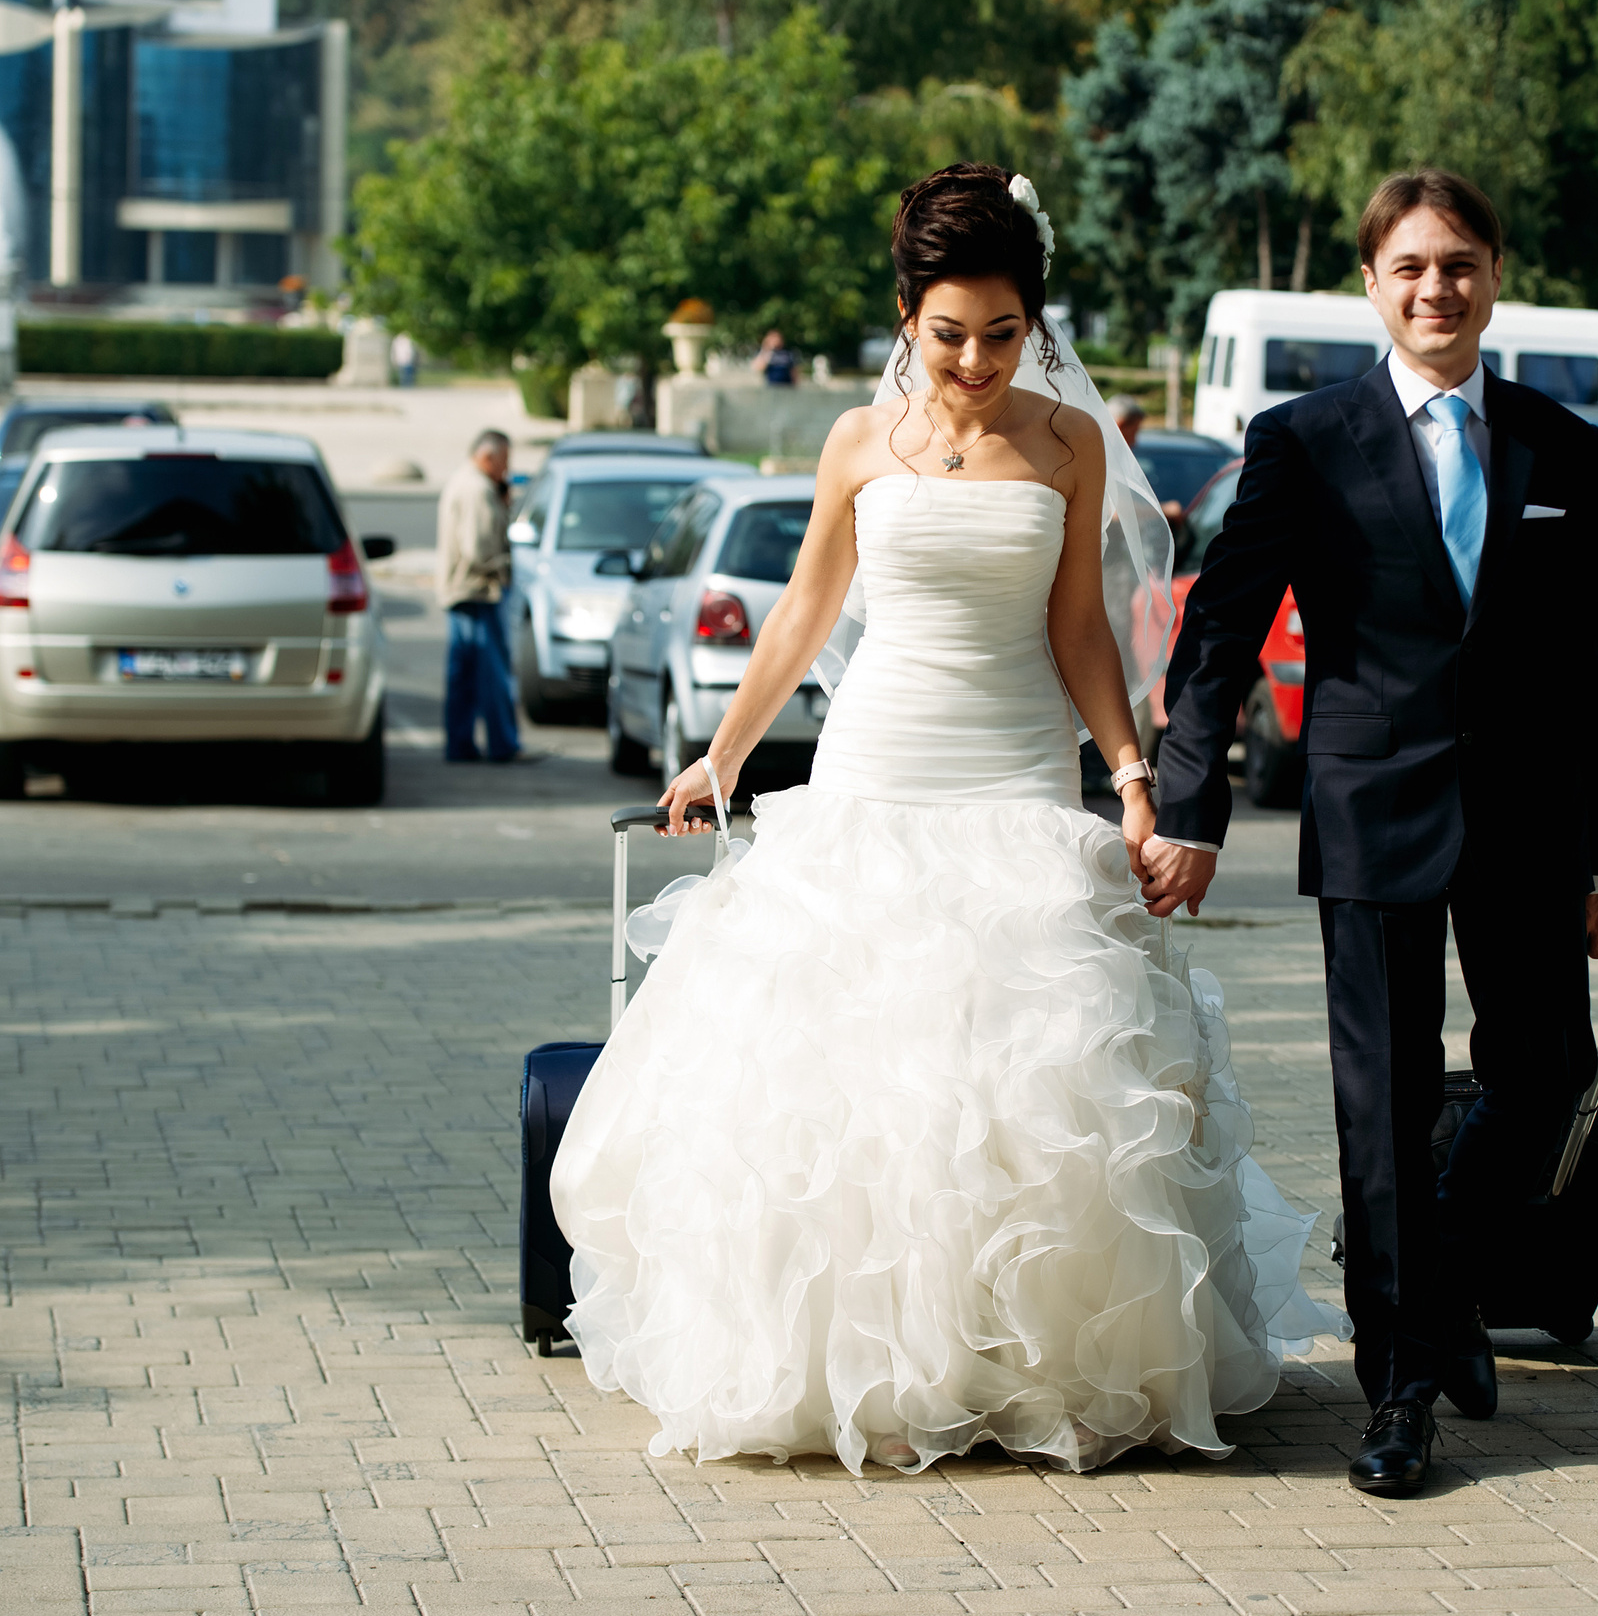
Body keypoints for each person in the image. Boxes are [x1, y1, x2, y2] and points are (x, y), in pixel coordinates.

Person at [551, 164, 1342, 1480]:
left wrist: (1134, 776)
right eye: (946, 333)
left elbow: (1079, 626)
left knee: (1039, 1071)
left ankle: (1041, 1364)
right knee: (864, 1076)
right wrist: (723, 756)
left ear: (1035, 324)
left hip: (1021, 767)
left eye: (1001, 334)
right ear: (905, 319)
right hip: (875, 765)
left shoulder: (1069, 444)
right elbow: (802, 613)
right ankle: (882, 1370)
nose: (974, 361)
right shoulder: (860, 444)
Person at [1144, 169, 1598, 1499]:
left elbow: (1584, 668)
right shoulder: (1308, 438)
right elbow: (1220, 632)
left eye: (1461, 263)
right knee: (1388, 1100)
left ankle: (1442, 1286)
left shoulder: (1563, 447)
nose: (1438, 287)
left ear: (1494, 275)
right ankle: (1402, 1391)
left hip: (1530, 823)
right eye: (1412, 265)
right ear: (1374, 282)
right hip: (1372, 813)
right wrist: (1189, 806)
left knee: (1540, 1071)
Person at [437, 429, 530, 763]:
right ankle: (503, 744)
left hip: (461, 590)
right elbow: (479, 550)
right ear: (489, 457)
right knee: (492, 675)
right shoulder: (478, 489)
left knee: (462, 675)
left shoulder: (464, 481)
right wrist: (505, 563)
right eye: (504, 461)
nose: (506, 469)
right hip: (479, 591)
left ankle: (459, 744)